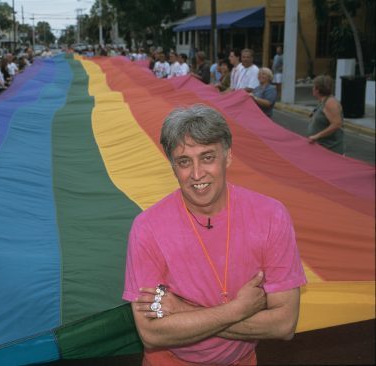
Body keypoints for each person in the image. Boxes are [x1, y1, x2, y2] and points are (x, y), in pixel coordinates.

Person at [123, 104, 307, 366]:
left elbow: (284, 324)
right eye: (184, 161)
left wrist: (184, 312)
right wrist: (238, 309)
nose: (197, 174)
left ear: (228, 156)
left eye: (207, 157)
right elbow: (151, 333)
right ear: (173, 166)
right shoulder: (147, 228)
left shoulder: (271, 216)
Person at [308, 75, 345, 154]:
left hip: (330, 150)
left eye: (313, 87)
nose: (312, 89)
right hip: (321, 148)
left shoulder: (331, 102)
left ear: (317, 89)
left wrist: (317, 136)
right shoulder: (322, 101)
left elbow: (337, 124)